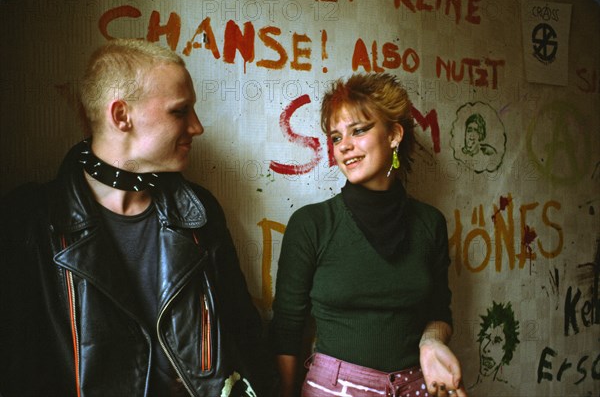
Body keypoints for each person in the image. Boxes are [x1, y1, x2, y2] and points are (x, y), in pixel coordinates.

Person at [0, 39, 270, 396]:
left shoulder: (197, 211)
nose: (197, 127)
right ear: (121, 116)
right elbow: (18, 365)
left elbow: (242, 332)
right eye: (180, 111)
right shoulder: (32, 219)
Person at [270, 73, 467, 397]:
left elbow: (438, 312)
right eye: (336, 137)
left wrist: (431, 341)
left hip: (417, 387)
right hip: (334, 389)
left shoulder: (430, 223)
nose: (344, 146)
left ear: (394, 135)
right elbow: (287, 331)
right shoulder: (312, 224)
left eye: (359, 130)